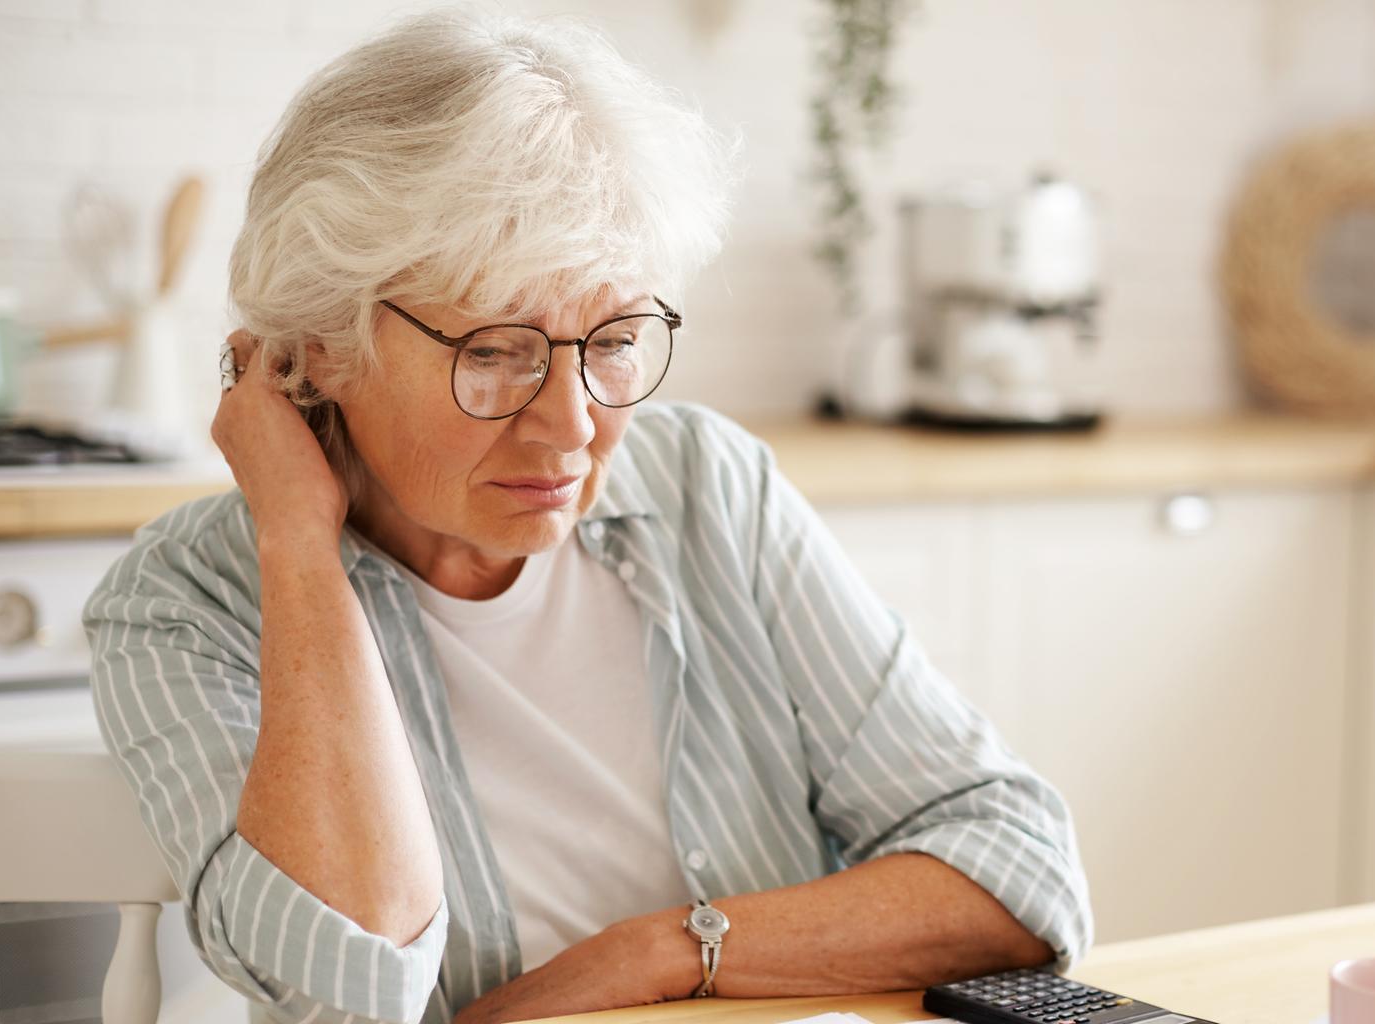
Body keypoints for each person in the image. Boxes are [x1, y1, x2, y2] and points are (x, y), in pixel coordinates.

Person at [82, 9, 1091, 1024]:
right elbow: (351, 980)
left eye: (611, 338)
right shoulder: (183, 602)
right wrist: (300, 544)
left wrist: (659, 950)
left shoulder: (705, 485)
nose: (573, 425)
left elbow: (1018, 868)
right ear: (320, 345)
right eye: (490, 350)